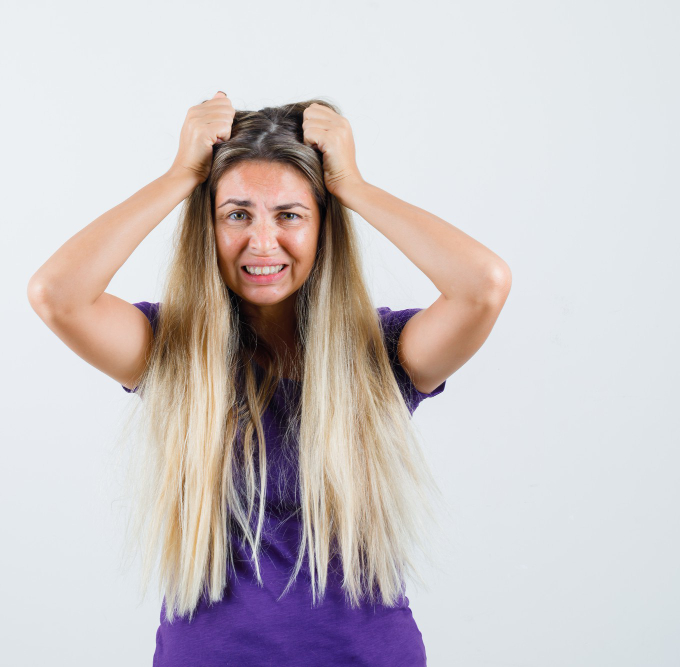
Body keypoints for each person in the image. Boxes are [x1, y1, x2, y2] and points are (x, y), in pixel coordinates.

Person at [27, 91, 511, 666]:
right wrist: (180, 175)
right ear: (208, 226)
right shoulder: (172, 349)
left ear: (323, 227)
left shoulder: (379, 353)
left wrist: (352, 186)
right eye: (237, 214)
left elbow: (483, 286)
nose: (262, 242)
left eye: (289, 215)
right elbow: (56, 294)